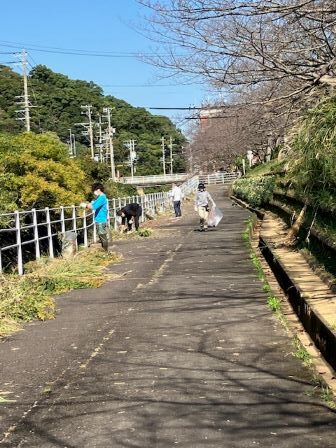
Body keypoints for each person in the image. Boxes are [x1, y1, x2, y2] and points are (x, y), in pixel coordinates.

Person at [81, 183, 109, 251]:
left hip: (101, 220)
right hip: (99, 219)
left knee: (102, 236)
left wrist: (85, 205)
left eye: (94, 191)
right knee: (101, 236)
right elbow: (93, 203)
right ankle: (104, 250)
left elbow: (94, 207)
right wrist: (89, 204)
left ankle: (106, 251)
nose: (94, 192)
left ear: (98, 190)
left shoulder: (102, 197)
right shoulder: (100, 197)